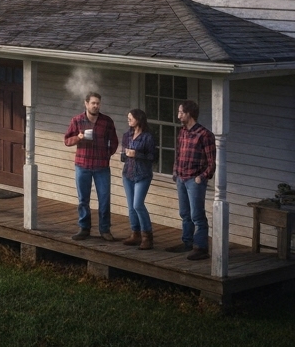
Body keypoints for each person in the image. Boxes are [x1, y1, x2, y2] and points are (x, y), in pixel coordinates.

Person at [63, 92, 119, 241]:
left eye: (98, 103)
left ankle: (105, 229)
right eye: (93, 103)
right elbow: (67, 140)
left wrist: (108, 154)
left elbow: (114, 141)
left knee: (104, 198)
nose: (96, 106)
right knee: (83, 199)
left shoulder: (107, 122)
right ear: (86, 104)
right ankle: (84, 228)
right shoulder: (77, 120)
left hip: (101, 166)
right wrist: (78, 138)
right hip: (83, 164)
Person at [165, 99, 215, 260]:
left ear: (189, 114)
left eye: (181, 112)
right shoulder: (182, 132)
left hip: (194, 179)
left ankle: (201, 247)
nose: (178, 115)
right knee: (184, 213)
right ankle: (187, 242)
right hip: (181, 177)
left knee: (197, 214)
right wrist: (175, 171)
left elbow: (212, 162)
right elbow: (178, 153)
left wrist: (202, 177)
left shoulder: (204, 135)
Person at [120, 109, 158, 249]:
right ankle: (135, 234)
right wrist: (124, 154)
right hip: (128, 174)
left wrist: (137, 154)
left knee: (138, 205)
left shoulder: (148, 137)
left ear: (139, 119)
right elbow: (123, 157)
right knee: (131, 207)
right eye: (128, 117)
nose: (128, 120)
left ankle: (147, 236)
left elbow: (153, 158)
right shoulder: (127, 135)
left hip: (142, 175)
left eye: (131, 118)